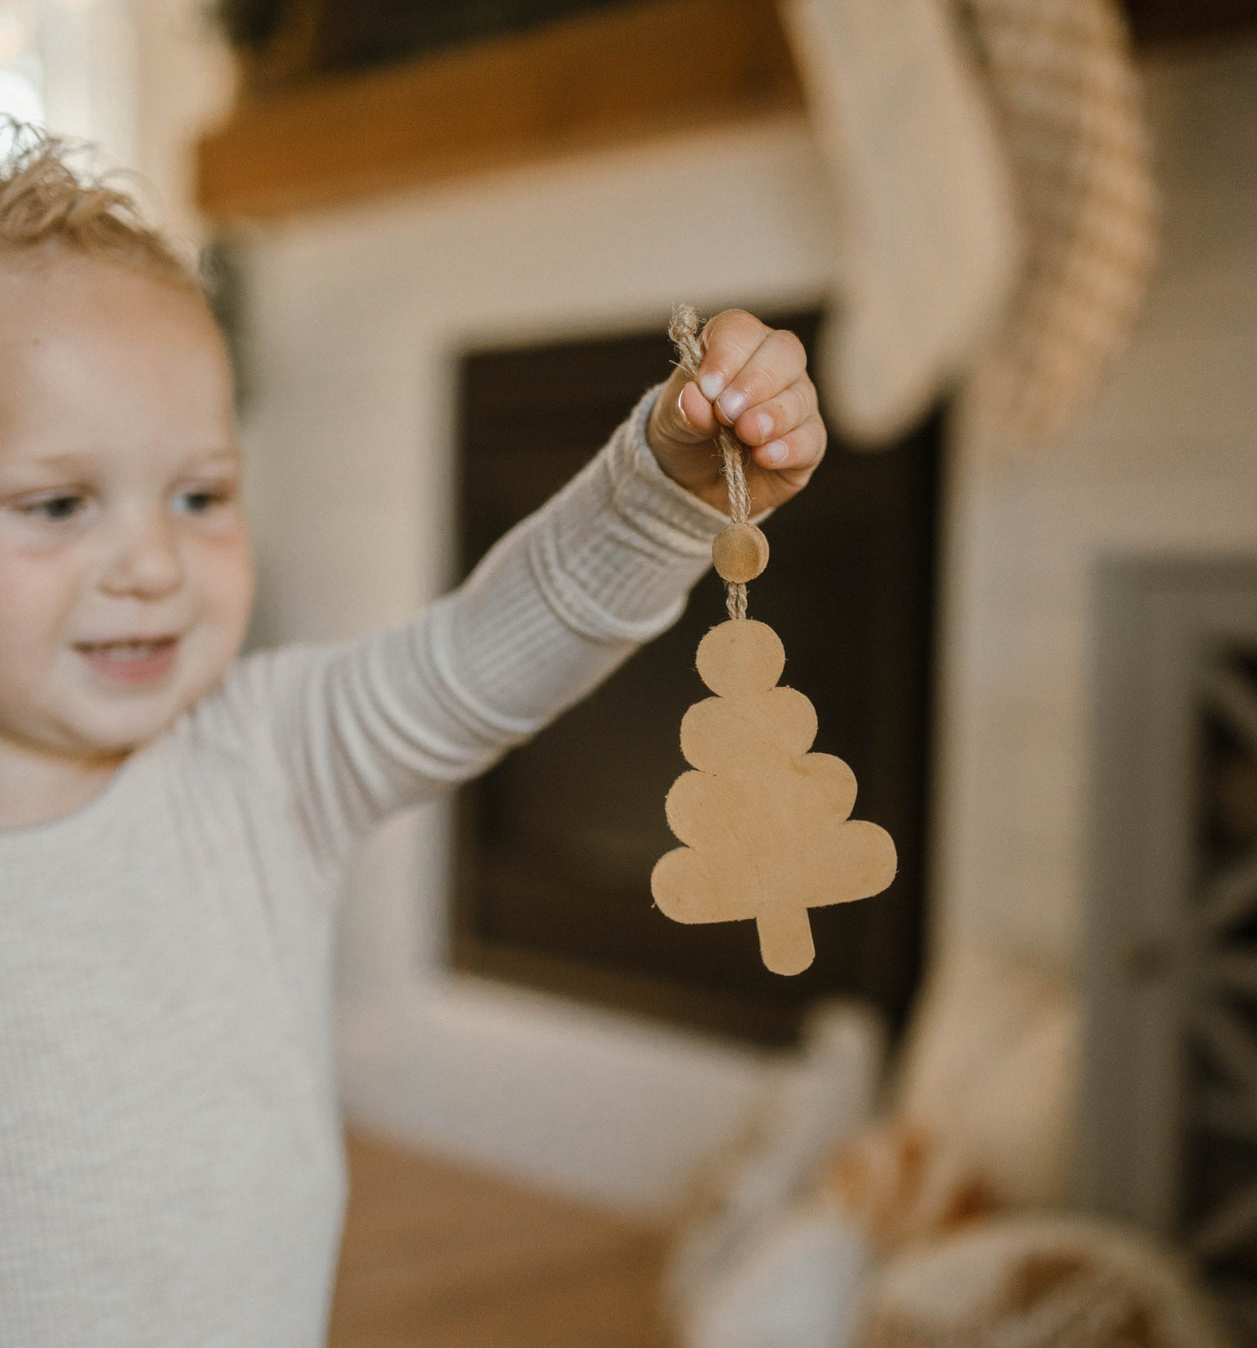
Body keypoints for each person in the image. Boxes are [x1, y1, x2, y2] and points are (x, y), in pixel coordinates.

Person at [0, 126, 827, 1346]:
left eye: (200, 494)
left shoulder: (263, 758)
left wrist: (664, 486)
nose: (154, 564)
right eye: (60, 502)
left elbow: (481, 657)